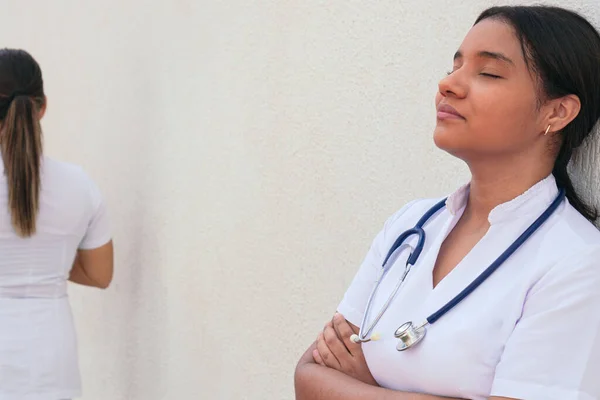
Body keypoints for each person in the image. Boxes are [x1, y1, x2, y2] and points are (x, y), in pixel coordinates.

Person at [295, 5, 600, 400]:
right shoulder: (411, 225)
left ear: (557, 112)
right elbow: (308, 377)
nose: (449, 85)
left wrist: (365, 383)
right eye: (453, 67)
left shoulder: (577, 261)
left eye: (488, 73)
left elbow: (327, 386)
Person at [0, 49, 113, 399]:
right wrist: (49, 259)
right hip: (51, 357)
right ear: (42, 106)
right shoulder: (79, 185)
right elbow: (99, 274)